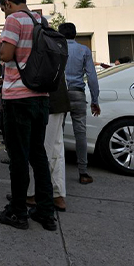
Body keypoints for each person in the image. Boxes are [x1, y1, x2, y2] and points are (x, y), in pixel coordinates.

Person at [0, 0, 56, 231]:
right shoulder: (41, 20)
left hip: (18, 97)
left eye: (2, 8)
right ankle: (46, 212)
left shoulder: (13, 20)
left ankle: (18, 212)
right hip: (41, 96)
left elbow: (6, 55)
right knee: (38, 155)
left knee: (18, 157)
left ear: (7, 4)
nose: (3, 13)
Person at [58, 22, 101, 185]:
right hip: (77, 93)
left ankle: (57, 170)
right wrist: (95, 100)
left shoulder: (56, 49)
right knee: (80, 133)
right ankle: (83, 172)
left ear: (60, 35)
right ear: (75, 34)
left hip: (59, 94)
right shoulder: (84, 50)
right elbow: (92, 77)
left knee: (57, 133)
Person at [26, 79, 71, 212]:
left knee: (38, 149)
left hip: (42, 97)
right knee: (56, 149)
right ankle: (57, 194)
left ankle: (31, 193)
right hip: (58, 97)